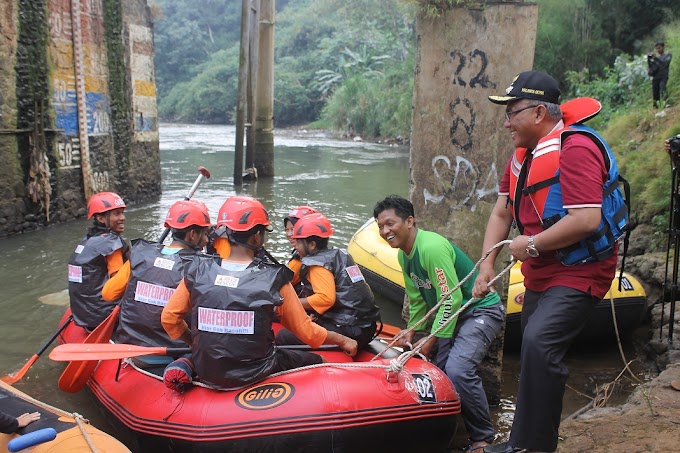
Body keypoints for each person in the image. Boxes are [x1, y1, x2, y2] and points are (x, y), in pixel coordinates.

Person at [474, 71, 622, 453]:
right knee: (533, 350)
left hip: (581, 270)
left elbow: (586, 219)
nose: (506, 123)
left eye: (512, 113)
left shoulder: (576, 149)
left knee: (540, 345)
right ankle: (522, 441)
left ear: (539, 112)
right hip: (541, 271)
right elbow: (501, 212)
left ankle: (532, 448)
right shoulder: (522, 155)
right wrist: (487, 263)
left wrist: (533, 244)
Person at [161, 196, 357, 389]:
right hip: (257, 370)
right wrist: (342, 339)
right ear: (256, 236)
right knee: (319, 360)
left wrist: (193, 344)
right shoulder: (274, 279)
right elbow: (308, 333)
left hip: (206, 368)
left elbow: (169, 318)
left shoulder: (197, 271)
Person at [373, 195, 504, 453]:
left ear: (409, 221)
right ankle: (446, 429)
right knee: (437, 372)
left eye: (390, 223)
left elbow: (452, 298)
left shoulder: (430, 247)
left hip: (479, 310)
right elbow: (418, 300)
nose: (385, 231)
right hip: (452, 315)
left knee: (457, 370)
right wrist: (412, 330)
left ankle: (482, 438)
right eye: (380, 226)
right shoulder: (404, 256)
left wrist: (431, 339)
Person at [103, 199, 211, 349]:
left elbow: (108, 294)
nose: (207, 240)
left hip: (129, 344)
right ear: (192, 234)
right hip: (175, 350)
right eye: (205, 234)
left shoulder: (141, 254)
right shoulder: (202, 267)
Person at [275, 212, 380, 349]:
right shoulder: (338, 255)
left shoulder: (317, 264)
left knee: (283, 336)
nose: (295, 246)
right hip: (364, 324)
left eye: (298, 242)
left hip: (351, 329)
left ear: (311, 245)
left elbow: (325, 299)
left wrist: (290, 303)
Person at [68, 191, 128, 330]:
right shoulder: (110, 243)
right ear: (101, 218)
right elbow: (118, 284)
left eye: (122, 213)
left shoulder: (86, 241)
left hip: (82, 314)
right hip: (104, 316)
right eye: (117, 214)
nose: (122, 218)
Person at [648, 41, 672, 109]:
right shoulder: (656, 58)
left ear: (663, 47)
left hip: (663, 76)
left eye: (659, 48)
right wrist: (649, 60)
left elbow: (664, 64)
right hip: (656, 77)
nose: (658, 50)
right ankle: (656, 106)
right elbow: (651, 68)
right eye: (657, 49)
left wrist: (656, 58)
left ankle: (666, 103)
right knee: (655, 92)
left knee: (662, 87)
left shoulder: (668, 55)